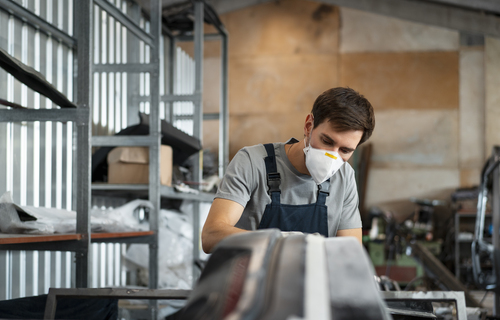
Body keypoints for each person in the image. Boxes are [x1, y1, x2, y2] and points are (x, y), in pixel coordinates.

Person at [201, 87, 375, 253]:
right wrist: (282, 241)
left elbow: (350, 253)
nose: (332, 156)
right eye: (327, 141)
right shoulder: (252, 162)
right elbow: (210, 236)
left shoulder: (344, 177)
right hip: (250, 281)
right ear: (308, 126)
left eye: (345, 151)